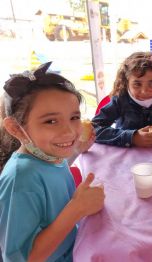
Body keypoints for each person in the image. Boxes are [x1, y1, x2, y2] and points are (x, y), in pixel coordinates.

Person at [0, 62, 105, 261]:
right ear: (15, 128)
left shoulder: (48, 155)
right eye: (51, 121)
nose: (70, 131)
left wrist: (76, 151)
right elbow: (21, 258)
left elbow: (53, 173)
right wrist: (77, 209)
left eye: (74, 117)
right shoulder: (21, 179)